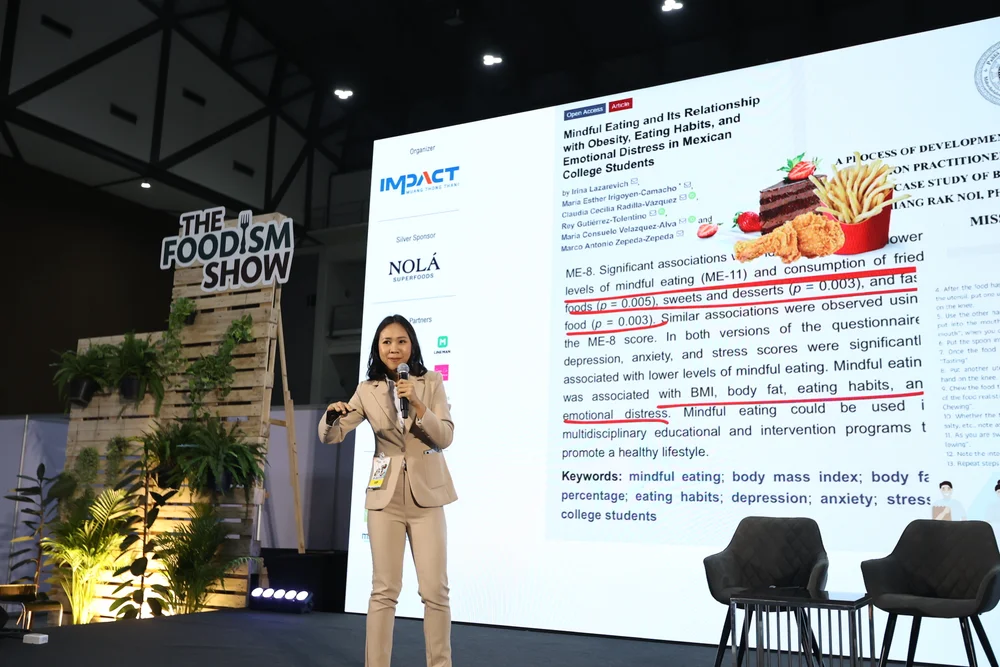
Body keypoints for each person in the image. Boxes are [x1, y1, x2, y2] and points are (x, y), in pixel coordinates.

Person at [319, 314, 456, 667]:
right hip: (385, 499)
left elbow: (445, 436)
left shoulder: (431, 382)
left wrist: (419, 405)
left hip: (427, 497)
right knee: (384, 590)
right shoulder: (367, 390)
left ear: (412, 345)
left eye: (401, 341)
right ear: (377, 348)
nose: (394, 348)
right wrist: (332, 417)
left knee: (435, 591)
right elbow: (333, 435)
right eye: (386, 342)